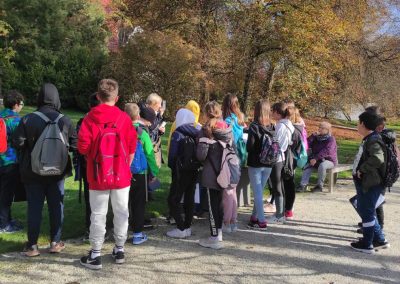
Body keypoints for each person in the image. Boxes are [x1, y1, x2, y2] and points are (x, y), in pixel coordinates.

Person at [78, 79, 137, 270]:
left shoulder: (89, 118)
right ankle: (119, 249)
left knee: (98, 213)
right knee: (121, 211)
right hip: (121, 173)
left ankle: (96, 253)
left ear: (98, 96)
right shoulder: (125, 119)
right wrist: (125, 165)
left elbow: (83, 147)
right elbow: (131, 147)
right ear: (117, 98)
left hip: (98, 173)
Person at [12, 83, 77, 257]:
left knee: (34, 207)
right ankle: (55, 243)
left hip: (32, 172)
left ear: (40, 97)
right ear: (56, 98)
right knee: (57, 207)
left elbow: (17, 143)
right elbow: (75, 145)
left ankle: (32, 246)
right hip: (58, 172)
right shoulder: (65, 120)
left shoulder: (28, 119)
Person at [350, 111, 389, 254]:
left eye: (358, 122)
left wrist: (362, 169)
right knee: (368, 210)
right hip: (368, 182)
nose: (357, 125)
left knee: (366, 212)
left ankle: (367, 244)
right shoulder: (369, 138)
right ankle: (379, 239)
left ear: (363, 124)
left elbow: (378, 158)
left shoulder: (373, 139)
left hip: (370, 182)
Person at [196, 101, 233, 249]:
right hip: (225, 171)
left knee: (212, 206)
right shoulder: (227, 129)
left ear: (206, 113)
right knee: (219, 203)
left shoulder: (206, 129)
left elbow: (200, 155)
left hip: (211, 173)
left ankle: (214, 238)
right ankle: (219, 233)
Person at [124, 103, 159, 245]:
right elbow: (150, 155)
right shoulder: (142, 133)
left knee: (123, 203)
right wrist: (154, 172)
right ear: (138, 116)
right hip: (140, 173)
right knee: (138, 204)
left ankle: (121, 232)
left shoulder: (119, 130)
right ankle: (137, 234)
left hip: (123, 172)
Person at [166, 108, 200, 238]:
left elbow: (172, 156)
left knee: (173, 199)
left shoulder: (177, 133)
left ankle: (180, 227)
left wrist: (172, 167)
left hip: (180, 171)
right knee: (189, 198)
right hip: (193, 169)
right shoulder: (197, 133)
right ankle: (187, 226)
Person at [73, 93, 100, 236]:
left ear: (90, 105)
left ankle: (90, 228)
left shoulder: (83, 121)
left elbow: (79, 146)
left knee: (91, 199)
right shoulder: (110, 120)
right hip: (106, 165)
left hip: (88, 165)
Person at [246, 99, 274, 230]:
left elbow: (250, 147)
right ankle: (254, 217)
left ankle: (262, 221)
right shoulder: (272, 126)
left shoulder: (254, 126)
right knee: (259, 190)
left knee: (257, 193)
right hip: (269, 162)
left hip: (255, 163)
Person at [0, 91, 24, 233]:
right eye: (21, 104)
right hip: (10, 161)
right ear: (16, 104)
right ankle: (4, 224)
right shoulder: (15, 120)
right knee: (6, 194)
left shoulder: (1, 116)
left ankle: (6, 219)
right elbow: (21, 141)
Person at [222, 94, 245, 232]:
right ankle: (233, 220)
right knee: (233, 190)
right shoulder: (239, 119)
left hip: (230, 156)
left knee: (227, 191)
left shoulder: (228, 120)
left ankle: (226, 222)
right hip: (238, 158)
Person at [268, 102, 294, 224]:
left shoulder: (281, 126)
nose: (272, 113)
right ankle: (280, 212)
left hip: (277, 158)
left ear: (278, 113)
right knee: (280, 186)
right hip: (282, 157)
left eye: (273, 111)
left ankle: (279, 215)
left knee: (277, 186)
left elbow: (277, 144)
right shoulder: (288, 124)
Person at [297, 122, 337, 192]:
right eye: (319, 127)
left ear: (327, 130)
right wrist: (312, 136)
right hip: (317, 159)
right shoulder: (316, 137)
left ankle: (319, 186)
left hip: (329, 161)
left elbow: (327, 150)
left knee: (322, 166)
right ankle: (303, 185)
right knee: (307, 165)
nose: (320, 129)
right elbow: (306, 144)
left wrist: (316, 158)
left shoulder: (331, 139)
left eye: (322, 128)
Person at [283, 106, 304, 219]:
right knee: (289, 183)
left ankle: (288, 209)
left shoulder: (293, 129)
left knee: (287, 183)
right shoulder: (298, 128)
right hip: (293, 158)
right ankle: (288, 209)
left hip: (289, 158)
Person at [146, 93, 165, 168]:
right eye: (159, 104)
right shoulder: (147, 114)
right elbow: (151, 127)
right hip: (148, 146)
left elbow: (154, 129)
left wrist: (160, 131)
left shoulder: (155, 114)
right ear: (154, 104)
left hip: (153, 145)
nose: (160, 106)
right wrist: (160, 116)